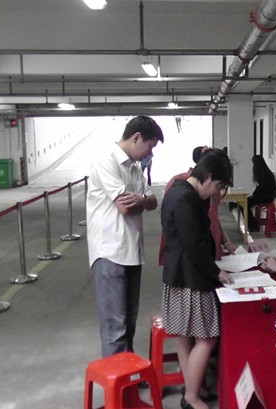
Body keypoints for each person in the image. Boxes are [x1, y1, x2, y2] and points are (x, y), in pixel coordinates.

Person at [160, 149, 234, 409]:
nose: (216, 192)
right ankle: (191, 396)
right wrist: (216, 272)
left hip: (179, 275)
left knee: (186, 335)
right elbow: (195, 244)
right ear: (208, 176)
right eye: (218, 186)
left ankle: (192, 387)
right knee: (207, 338)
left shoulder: (180, 190)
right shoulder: (185, 199)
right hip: (191, 278)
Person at [86, 115, 163, 357]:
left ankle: (127, 373)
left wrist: (140, 199)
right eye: (149, 146)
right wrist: (140, 202)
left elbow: (152, 202)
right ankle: (117, 378)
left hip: (132, 253)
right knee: (115, 330)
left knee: (129, 324)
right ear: (136, 137)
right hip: (110, 254)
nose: (150, 152)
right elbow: (125, 208)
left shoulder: (134, 168)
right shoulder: (106, 161)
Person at [158, 146, 237, 265]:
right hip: (189, 263)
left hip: (206, 252)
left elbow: (214, 218)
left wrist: (226, 243)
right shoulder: (183, 194)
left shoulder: (202, 191)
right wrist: (213, 271)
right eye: (218, 186)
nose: (217, 191)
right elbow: (190, 241)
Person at [246, 154, 276, 231]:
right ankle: (252, 224)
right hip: (266, 195)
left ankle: (253, 224)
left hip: (268, 197)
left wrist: (254, 195)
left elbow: (263, 187)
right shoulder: (265, 172)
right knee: (246, 201)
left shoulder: (265, 173)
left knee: (246, 203)